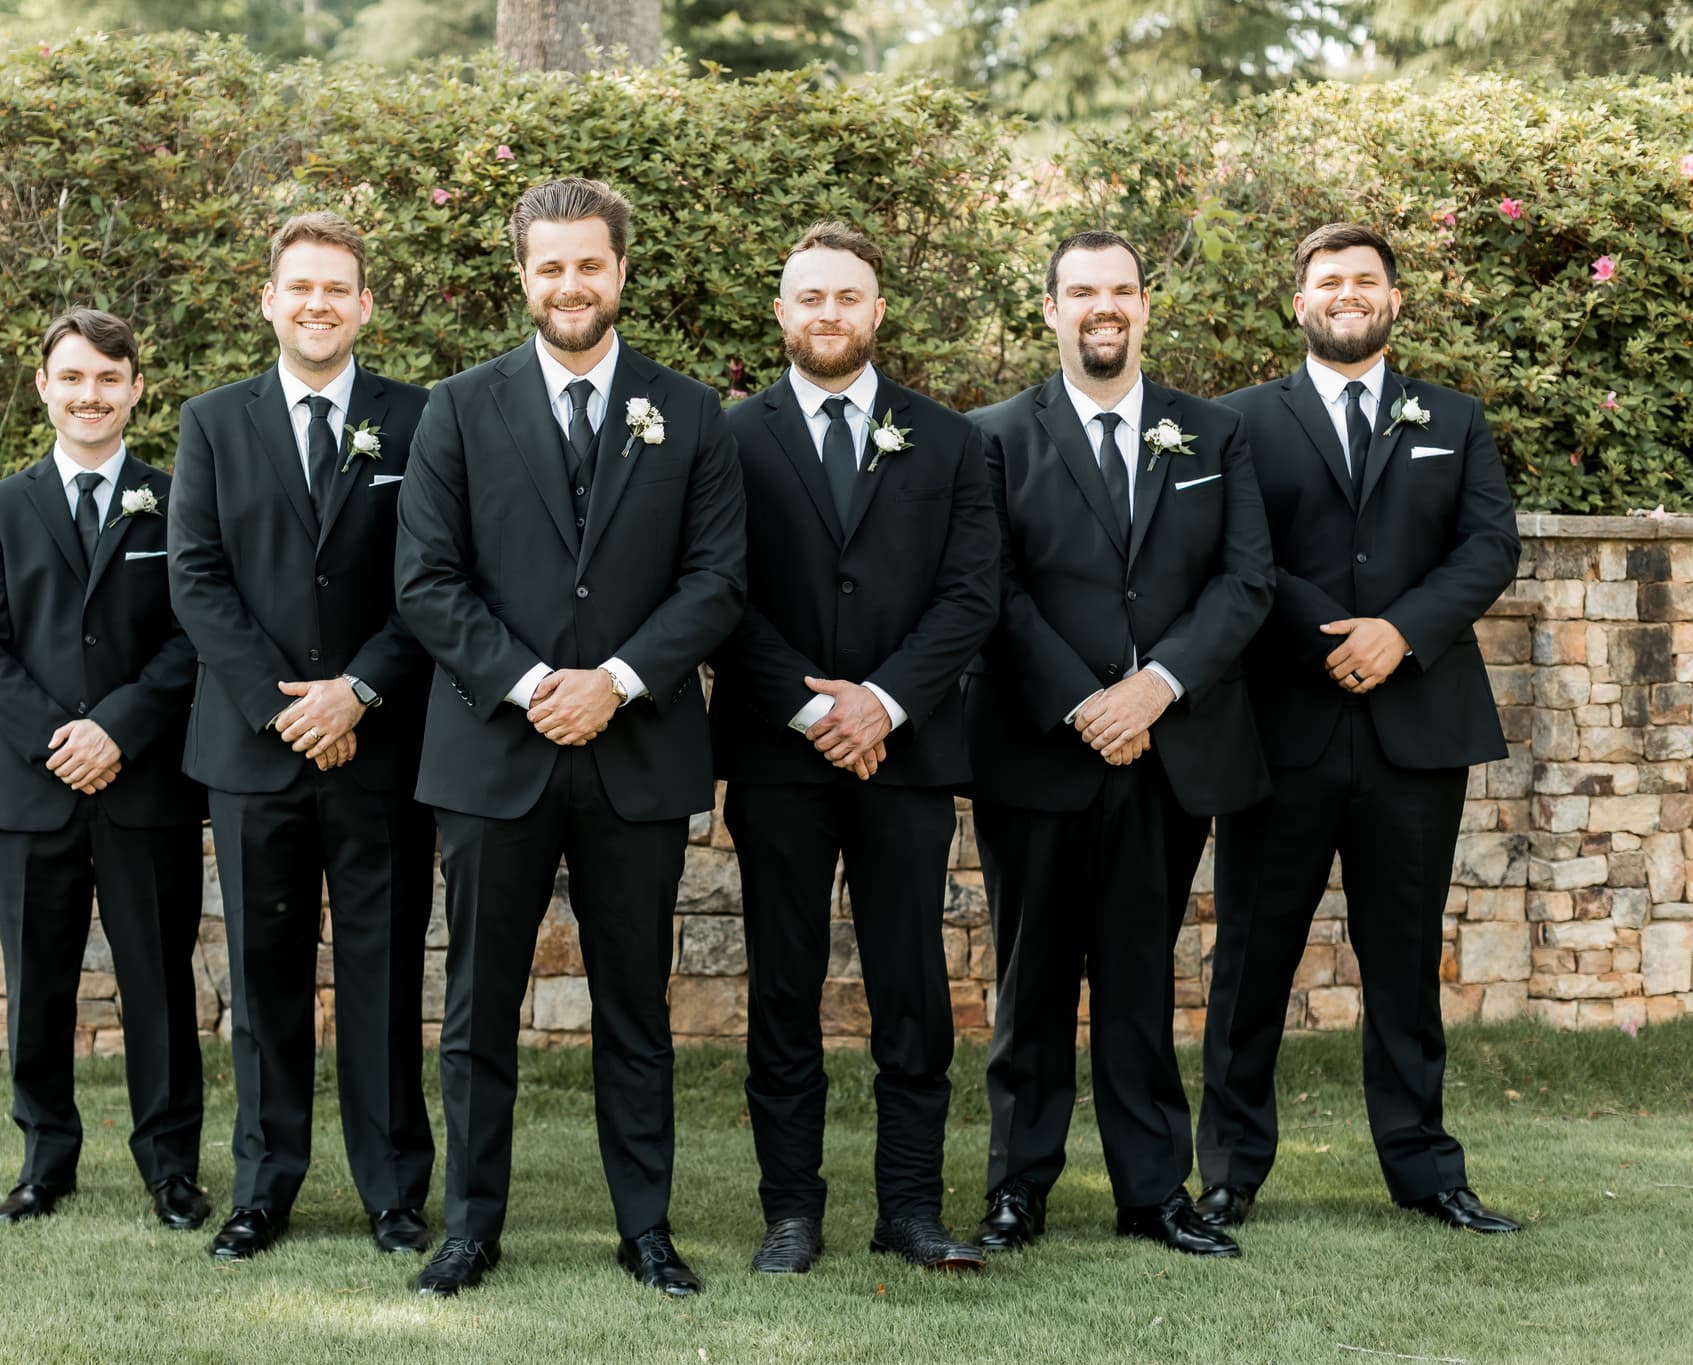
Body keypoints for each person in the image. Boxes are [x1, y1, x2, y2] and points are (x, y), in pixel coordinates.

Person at [394, 177, 745, 1298]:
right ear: (522, 278)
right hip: (495, 754)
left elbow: (716, 579)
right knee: (474, 1011)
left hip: (636, 756)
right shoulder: (456, 407)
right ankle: (470, 1231)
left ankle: (645, 1229)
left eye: (588, 264)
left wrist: (622, 681)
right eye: (549, 267)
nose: (570, 285)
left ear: (620, 272)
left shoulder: (688, 412)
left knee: (636, 1010)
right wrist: (541, 682)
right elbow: (426, 582)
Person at [1195, 222, 1523, 1236]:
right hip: (1282, 721)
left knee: (1402, 957)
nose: (1347, 293)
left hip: (1412, 724)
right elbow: (1234, 551)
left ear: (1391, 300)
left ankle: (1424, 1171)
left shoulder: (1452, 418)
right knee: (1250, 957)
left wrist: (1399, 634)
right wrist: (1328, 635)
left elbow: (1486, 547)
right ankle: (1229, 1171)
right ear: (1297, 302)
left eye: (1364, 279)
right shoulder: (1238, 421)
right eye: (1328, 280)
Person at [964, 231, 1273, 1257]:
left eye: (1121, 291)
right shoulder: (991, 438)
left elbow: (1243, 583)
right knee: (1031, 979)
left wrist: (1152, 689)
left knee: (1141, 977)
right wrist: (1082, 702)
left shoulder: (1213, 435)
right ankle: (1017, 1187)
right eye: (1081, 291)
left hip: (1169, 747)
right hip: (1038, 750)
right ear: (1048, 309)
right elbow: (989, 592)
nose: (1104, 307)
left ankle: (1151, 1193)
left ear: (1145, 307)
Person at [711, 222, 997, 1275]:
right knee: (782, 989)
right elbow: (716, 592)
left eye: (847, 297)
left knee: (911, 988)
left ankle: (910, 1210)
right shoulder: (725, 439)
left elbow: (972, 594)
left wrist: (881, 703)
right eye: (808, 297)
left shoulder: (952, 441)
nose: (827, 314)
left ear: (877, 313)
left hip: (906, 759)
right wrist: (815, 711)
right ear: (780, 313)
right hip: (780, 761)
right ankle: (790, 1213)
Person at [168, 212, 438, 1262]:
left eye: (338, 287)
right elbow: (196, 576)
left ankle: (393, 1191)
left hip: (380, 749)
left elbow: (433, 577)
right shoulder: (213, 422)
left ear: (364, 305)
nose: (318, 304)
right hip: (252, 750)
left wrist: (357, 692)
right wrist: (286, 707)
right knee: (264, 973)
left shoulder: (419, 420)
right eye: (300, 287)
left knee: (382, 977)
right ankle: (262, 1187)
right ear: (268, 301)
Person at [0, 308, 209, 1231]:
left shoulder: (179, 500)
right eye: (73, 378)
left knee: (159, 980)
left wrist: (118, 729)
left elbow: (194, 635)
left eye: (109, 378)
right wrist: (62, 738)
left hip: (146, 788)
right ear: (45, 388)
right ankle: (44, 1159)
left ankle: (171, 1166)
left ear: (136, 389)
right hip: (31, 789)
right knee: (39, 982)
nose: (90, 395)